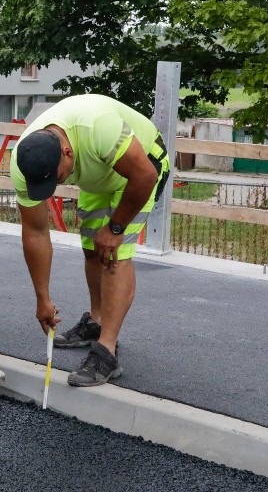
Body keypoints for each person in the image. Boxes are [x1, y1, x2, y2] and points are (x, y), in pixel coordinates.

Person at [10, 94, 170, 387]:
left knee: (113, 254)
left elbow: (144, 176)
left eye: (56, 179)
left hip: (142, 168)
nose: (53, 188)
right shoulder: (24, 160)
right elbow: (35, 232)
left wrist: (117, 228)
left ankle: (106, 351)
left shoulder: (98, 127)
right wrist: (42, 298)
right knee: (92, 251)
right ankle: (96, 322)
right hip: (98, 174)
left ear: (68, 152)